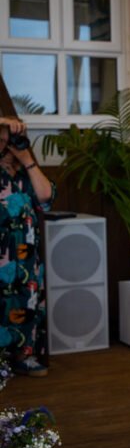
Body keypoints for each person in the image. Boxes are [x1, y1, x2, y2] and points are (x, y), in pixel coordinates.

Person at [0, 118, 54, 378]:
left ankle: (24, 357)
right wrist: (4, 122)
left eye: (9, 140)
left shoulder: (24, 175)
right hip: (3, 255)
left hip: (27, 256)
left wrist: (26, 159)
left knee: (27, 304)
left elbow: (45, 197)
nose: (7, 145)